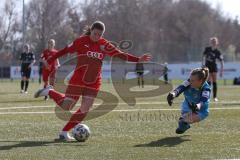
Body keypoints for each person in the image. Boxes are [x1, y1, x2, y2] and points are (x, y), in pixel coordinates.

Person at [34, 21, 151, 141]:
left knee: (85, 109)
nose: (97, 37)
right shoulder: (81, 41)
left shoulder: (104, 44)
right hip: (78, 79)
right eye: (95, 33)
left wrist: (138, 59)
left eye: (99, 35)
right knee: (67, 106)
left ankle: (64, 132)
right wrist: (50, 60)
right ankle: (50, 91)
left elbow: (119, 54)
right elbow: (64, 51)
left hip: (94, 81)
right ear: (91, 30)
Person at [167, 67, 211, 134]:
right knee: (182, 121)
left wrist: (198, 106)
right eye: (190, 79)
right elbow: (180, 88)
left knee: (183, 121)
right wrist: (173, 94)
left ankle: (184, 125)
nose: (190, 82)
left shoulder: (206, 88)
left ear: (200, 81)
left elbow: (204, 100)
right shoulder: (189, 82)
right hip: (187, 106)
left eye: (193, 80)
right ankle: (185, 126)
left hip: (201, 111)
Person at [202, 37, 224, 102]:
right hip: (207, 67)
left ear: (217, 43)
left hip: (214, 67)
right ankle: (207, 96)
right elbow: (203, 57)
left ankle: (215, 97)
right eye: (212, 41)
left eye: (215, 41)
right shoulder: (207, 49)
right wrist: (202, 64)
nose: (213, 43)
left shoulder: (218, 51)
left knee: (214, 81)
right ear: (210, 42)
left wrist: (221, 70)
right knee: (208, 82)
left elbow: (221, 61)